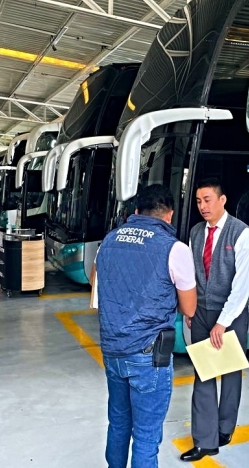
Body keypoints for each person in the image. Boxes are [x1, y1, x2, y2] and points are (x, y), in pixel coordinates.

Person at [94, 184, 197, 468]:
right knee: (146, 436)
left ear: (136, 211)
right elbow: (189, 307)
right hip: (149, 355)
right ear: (169, 215)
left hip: (113, 350)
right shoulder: (175, 249)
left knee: (118, 423)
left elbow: (97, 286)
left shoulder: (109, 240)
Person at [181, 178, 249, 463]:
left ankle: (225, 427)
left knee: (231, 371)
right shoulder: (196, 233)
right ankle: (206, 440)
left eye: (208, 200)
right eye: (199, 201)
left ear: (222, 200)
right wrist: (190, 310)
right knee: (204, 373)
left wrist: (223, 322)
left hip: (231, 315)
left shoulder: (242, 234)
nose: (203, 206)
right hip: (201, 311)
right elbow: (190, 274)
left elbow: (241, 285)